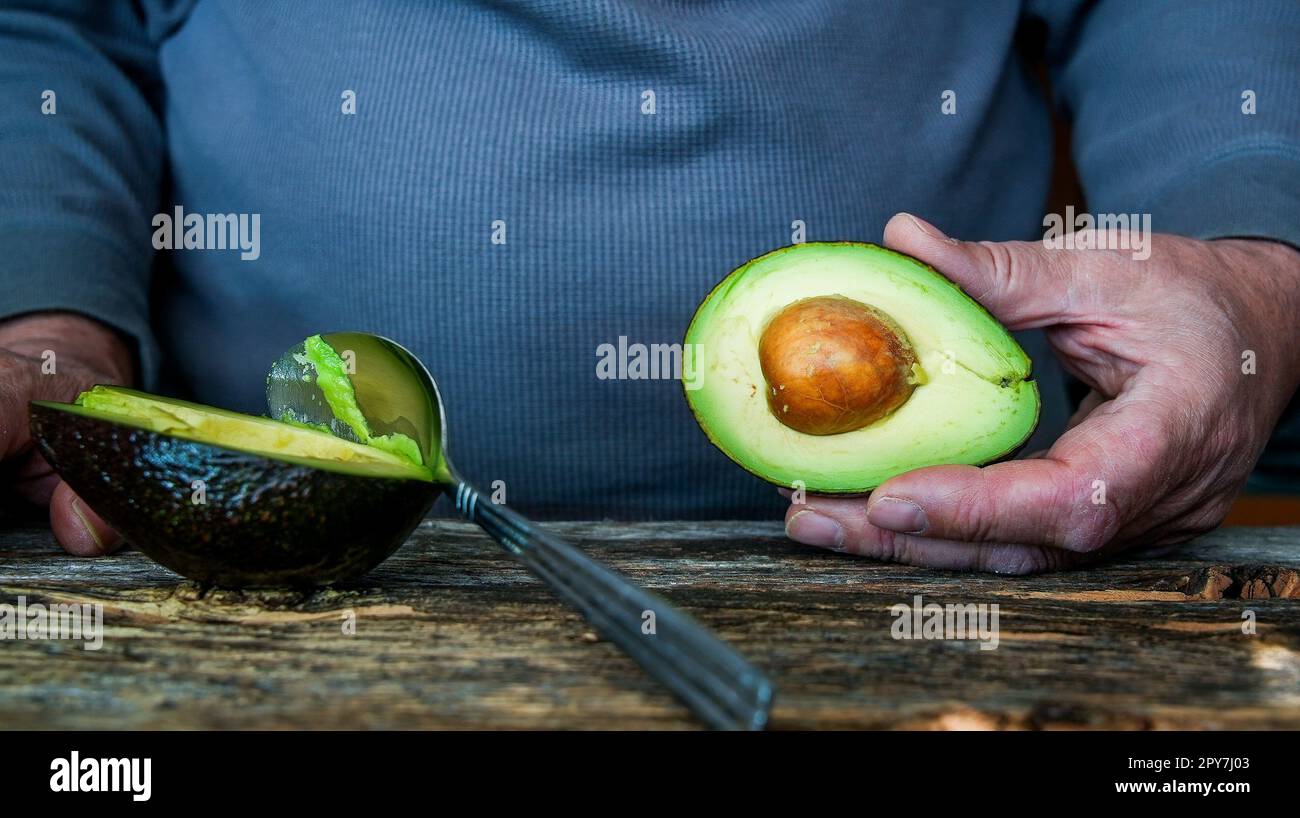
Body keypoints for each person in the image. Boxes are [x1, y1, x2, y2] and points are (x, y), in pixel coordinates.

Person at [2, 1, 1297, 572]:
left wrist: (1253, 275)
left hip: (931, 585)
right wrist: (38, 306)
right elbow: (52, 17)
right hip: (269, 590)